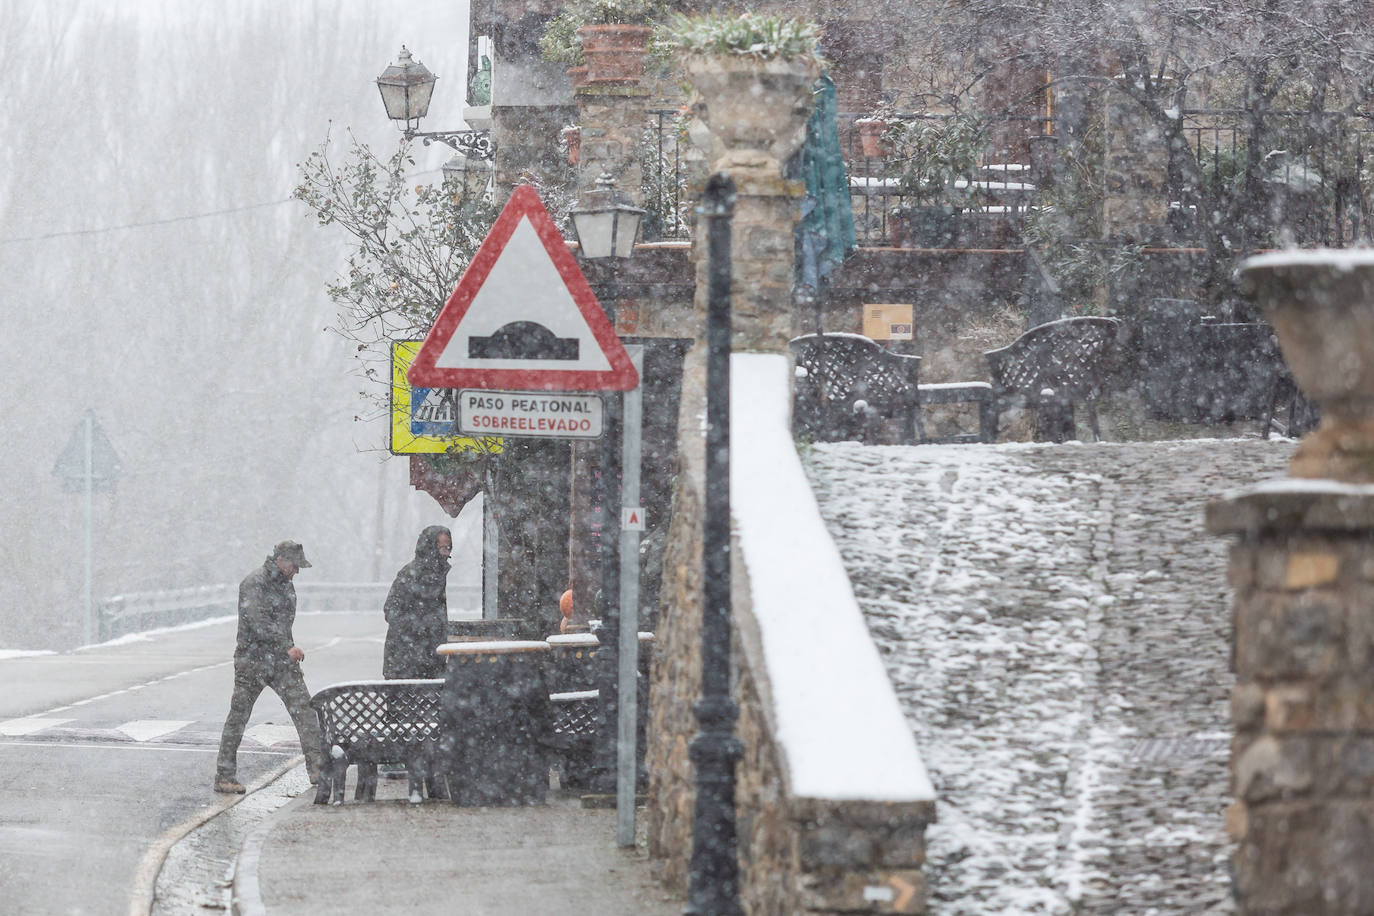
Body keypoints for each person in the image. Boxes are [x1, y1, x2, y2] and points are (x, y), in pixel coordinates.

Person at [214, 540, 324, 794]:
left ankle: (318, 769)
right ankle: (224, 775)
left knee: (305, 712)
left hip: (281, 661)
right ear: (280, 561)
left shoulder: (287, 587)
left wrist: (286, 648)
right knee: (239, 717)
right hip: (253, 662)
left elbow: (282, 623)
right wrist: (285, 646)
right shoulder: (254, 583)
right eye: (294, 566)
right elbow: (257, 621)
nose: (296, 572)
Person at [383, 525, 452, 680]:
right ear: (430, 549)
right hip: (405, 664)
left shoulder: (438, 575)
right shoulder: (410, 574)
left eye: (448, 548)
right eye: (442, 548)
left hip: (429, 661)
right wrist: (424, 627)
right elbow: (391, 610)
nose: (447, 553)